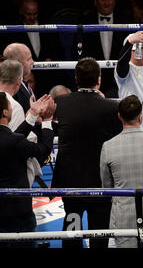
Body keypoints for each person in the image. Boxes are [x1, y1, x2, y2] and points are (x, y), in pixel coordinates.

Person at [51, 57, 122, 248]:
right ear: (99, 79)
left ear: (76, 78)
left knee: (72, 226)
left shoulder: (61, 103)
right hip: (100, 179)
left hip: (70, 179)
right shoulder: (111, 107)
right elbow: (117, 136)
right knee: (99, 232)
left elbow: (57, 130)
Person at [100, 95, 143, 248]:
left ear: (119, 116)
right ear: (141, 117)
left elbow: (106, 186)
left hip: (123, 215)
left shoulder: (108, 146)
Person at [0, 91, 55, 248]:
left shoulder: (11, 139)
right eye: (10, 106)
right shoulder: (13, 141)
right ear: (5, 112)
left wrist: (32, 114)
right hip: (17, 212)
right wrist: (47, 120)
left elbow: (13, 137)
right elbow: (43, 149)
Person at [79, 0, 130, 97]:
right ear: (95, 2)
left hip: (119, 78)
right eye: (103, 0)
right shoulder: (86, 21)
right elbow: (80, 51)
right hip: (93, 79)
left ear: (114, 1)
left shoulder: (125, 20)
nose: (106, 3)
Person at [3, 43, 36, 113]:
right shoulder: (11, 87)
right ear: (17, 63)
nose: (33, 62)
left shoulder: (23, 82)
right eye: (29, 59)